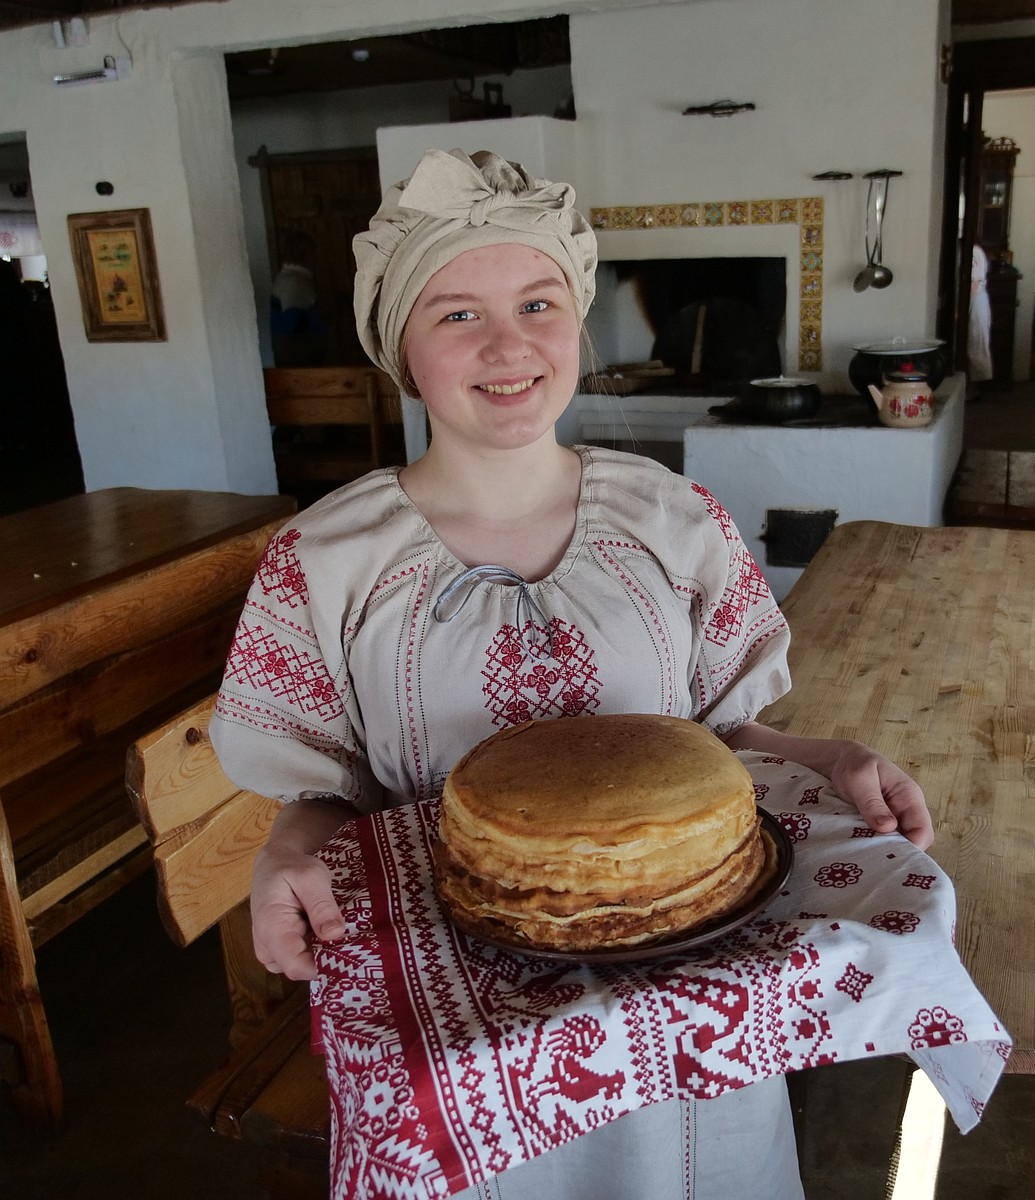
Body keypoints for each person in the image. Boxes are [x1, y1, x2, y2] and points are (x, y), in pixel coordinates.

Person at [211, 148, 934, 1199]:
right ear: (401, 351)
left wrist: (826, 756)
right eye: (456, 315)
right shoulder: (324, 561)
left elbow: (720, 744)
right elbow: (319, 791)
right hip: (462, 1036)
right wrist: (287, 847)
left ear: (578, 322)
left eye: (538, 302)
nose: (508, 346)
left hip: (690, 1006)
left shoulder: (674, 520)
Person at [270, 228, 328, 366]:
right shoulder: (294, 282)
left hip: (296, 358)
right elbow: (293, 322)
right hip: (298, 360)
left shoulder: (289, 278)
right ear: (307, 254)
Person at [967, 242, 993, 390]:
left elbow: (973, 284)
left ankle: (973, 389)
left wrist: (960, 309)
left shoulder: (974, 251)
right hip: (971, 299)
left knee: (976, 342)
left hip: (974, 300)